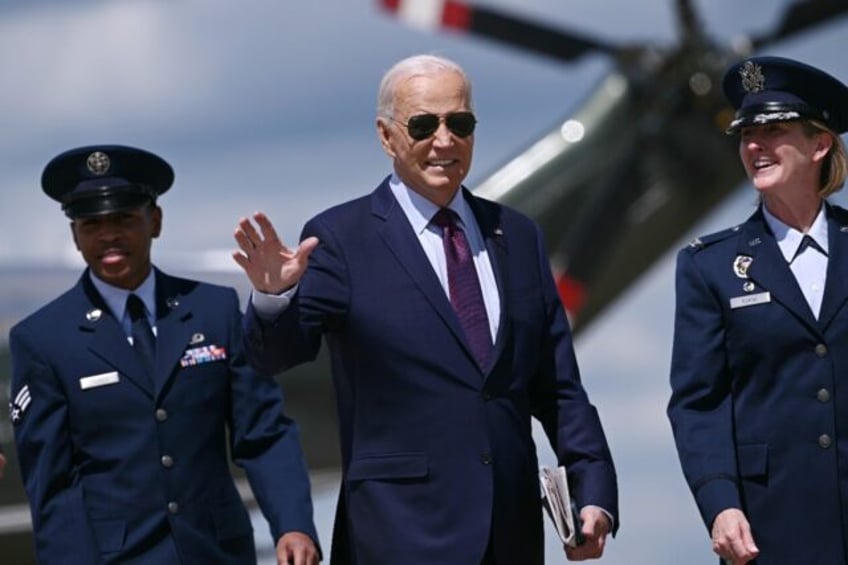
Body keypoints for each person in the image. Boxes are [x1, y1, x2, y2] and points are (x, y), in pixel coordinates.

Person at [232, 54, 619, 564]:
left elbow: (558, 386)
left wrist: (594, 493)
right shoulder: (341, 238)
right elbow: (276, 357)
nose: (444, 140)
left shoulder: (518, 236)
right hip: (398, 535)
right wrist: (272, 298)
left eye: (459, 123)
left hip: (510, 535)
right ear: (386, 136)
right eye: (423, 124)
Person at [8, 145, 321, 564]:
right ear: (75, 235)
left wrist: (293, 524)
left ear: (154, 221)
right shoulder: (44, 339)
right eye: (91, 224)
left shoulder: (214, 310)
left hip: (217, 552)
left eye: (123, 218)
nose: (108, 235)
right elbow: (53, 486)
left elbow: (265, 433)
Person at [667, 56, 848, 564]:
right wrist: (719, 503)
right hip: (770, 527)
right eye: (746, 133)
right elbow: (697, 402)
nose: (753, 146)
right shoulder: (710, 265)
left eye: (773, 130)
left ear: (820, 143)